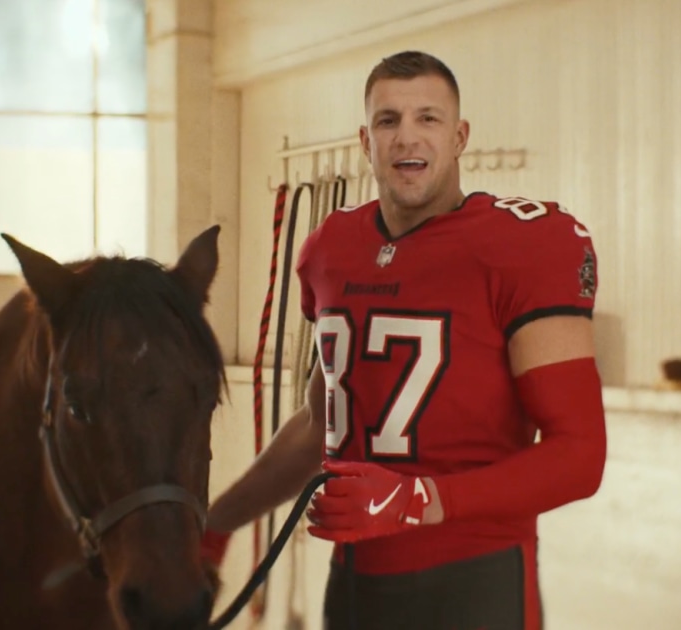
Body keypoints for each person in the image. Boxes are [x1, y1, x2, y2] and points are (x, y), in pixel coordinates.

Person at [201, 50, 607, 630]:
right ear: (366, 141)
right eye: (388, 120)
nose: (406, 137)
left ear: (460, 137)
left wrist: (420, 501)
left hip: (473, 585)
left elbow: (580, 455)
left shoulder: (523, 246)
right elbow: (320, 425)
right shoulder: (331, 247)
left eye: (428, 118)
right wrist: (218, 522)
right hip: (355, 586)